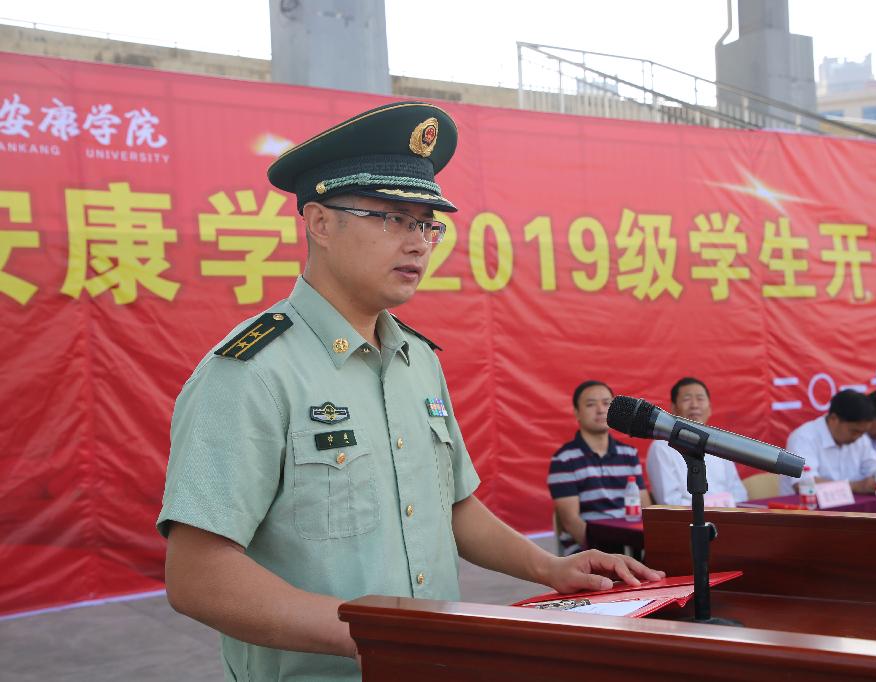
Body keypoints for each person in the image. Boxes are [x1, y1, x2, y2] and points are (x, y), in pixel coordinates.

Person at [157, 102, 663, 682]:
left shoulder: (416, 359)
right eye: (393, 218)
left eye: (427, 224)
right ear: (319, 223)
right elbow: (197, 575)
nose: (419, 243)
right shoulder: (253, 372)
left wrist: (552, 569)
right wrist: (371, 637)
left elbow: (452, 507)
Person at [547, 380, 653, 555]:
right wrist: (604, 555)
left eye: (606, 403)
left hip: (630, 544)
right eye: (591, 404)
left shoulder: (628, 454)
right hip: (587, 550)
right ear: (577, 413)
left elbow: (646, 509)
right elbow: (571, 521)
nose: (601, 410)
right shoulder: (564, 460)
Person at [645, 377, 748, 506]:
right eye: (686, 399)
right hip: (688, 518)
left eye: (700, 399)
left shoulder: (720, 444)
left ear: (710, 408)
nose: (694, 405)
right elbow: (669, 502)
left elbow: (739, 493)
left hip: (727, 515)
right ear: (673, 408)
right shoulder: (661, 447)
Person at [779, 390, 876, 495]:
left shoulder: (861, 438)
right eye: (854, 431)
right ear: (833, 419)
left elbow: (874, 468)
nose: (858, 437)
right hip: (805, 505)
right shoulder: (803, 438)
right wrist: (855, 486)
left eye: (863, 433)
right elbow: (804, 484)